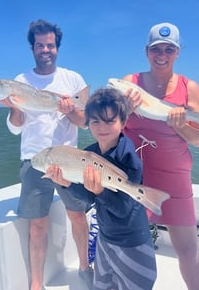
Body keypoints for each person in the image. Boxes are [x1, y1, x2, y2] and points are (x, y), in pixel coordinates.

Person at [0, 19, 93, 290]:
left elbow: (84, 122)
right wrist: (12, 105)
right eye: (40, 45)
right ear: (32, 48)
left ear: (57, 47)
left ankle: (85, 267)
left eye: (50, 45)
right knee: (37, 225)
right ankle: (37, 283)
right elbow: (15, 128)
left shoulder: (73, 80)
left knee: (78, 217)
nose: (45, 49)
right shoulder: (20, 82)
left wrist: (69, 109)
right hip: (35, 161)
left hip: (69, 160)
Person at [45, 87, 157, 290]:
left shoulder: (129, 158)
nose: (102, 127)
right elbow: (88, 199)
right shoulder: (88, 155)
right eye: (95, 121)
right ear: (87, 124)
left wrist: (100, 191)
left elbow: (123, 210)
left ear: (123, 122)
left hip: (132, 241)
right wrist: (67, 183)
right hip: (105, 239)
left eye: (109, 120)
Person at [122, 22, 199, 290]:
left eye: (169, 49)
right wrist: (124, 110)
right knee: (132, 247)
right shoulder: (128, 84)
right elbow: (110, 127)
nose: (162, 54)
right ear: (146, 51)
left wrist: (180, 124)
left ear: (178, 53)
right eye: (156, 48)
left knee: (188, 250)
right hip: (135, 175)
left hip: (175, 176)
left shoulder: (188, 86)